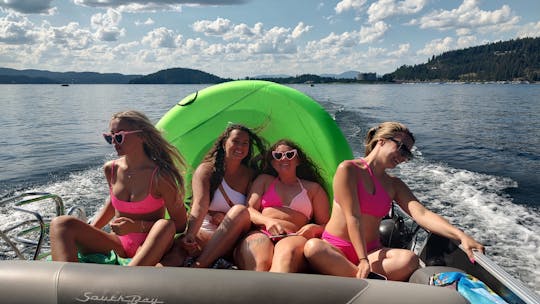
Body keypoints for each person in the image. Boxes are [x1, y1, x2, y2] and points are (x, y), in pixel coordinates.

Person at [304, 122, 485, 281]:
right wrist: (362, 261)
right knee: (313, 248)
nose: (405, 157)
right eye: (403, 148)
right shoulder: (348, 169)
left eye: (409, 154)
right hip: (335, 249)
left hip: (372, 252)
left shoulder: (394, 185)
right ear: (382, 140)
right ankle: (366, 280)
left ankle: (356, 280)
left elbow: (422, 214)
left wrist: (461, 236)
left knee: (410, 260)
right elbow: (353, 217)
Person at [50, 110, 188, 266]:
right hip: (119, 244)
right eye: (110, 137)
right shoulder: (111, 170)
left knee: (165, 225)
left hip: (152, 245)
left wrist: (136, 226)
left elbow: (180, 224)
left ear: (142, 136)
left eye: (120, 136)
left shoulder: (161, 176)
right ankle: (66, 283)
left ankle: (126, 278)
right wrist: (91, 229)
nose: (114, 142)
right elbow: (114, 204)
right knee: (61, 224)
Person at [158, 123, 266, 268]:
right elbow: (199, 205)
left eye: (245, 143)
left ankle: (198, 266)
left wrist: (225, 218)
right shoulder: (207, 170)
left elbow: (251, 211)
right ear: (224, 143)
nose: (240, 147)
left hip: (234, 237)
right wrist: (190, 235)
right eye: (235, 141)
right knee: (176, 255)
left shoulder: (251, 175)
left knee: (239, 211)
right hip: (204, 231)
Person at [234, 139, 330, 273]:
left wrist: (313, 228)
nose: (284, 158)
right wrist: (268, 222)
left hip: (294, 236)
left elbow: (327, 225)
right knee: (258, 262)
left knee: (285, 257)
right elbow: (249, 209)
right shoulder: (264, 181)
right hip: (262, 232)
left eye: (289, 154)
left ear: (298, 160)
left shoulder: (314, 189)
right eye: (278, 156)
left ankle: (272, 292)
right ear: (273, 163)